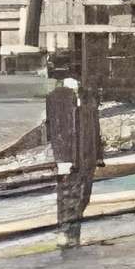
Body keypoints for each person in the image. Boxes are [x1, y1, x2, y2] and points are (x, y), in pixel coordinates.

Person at [43, 68, 103, 250]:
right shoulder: (55, 98)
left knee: (84, 196)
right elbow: (53, 130)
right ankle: (65, 234)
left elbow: (96, 128)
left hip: (88, 156)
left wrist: (98, 155)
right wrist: (61, 159)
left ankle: (73, 236)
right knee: (67, 196)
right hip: (69, 157)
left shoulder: (89, 98)